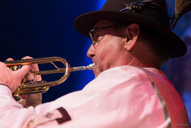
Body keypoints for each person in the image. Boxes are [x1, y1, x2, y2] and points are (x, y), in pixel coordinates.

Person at [0, 0, 190, 127]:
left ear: (130, 36)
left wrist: (3, 85)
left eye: (96, 36)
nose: (89, 51)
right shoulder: (158, 88)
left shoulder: (128, 84)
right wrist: (29, 110)